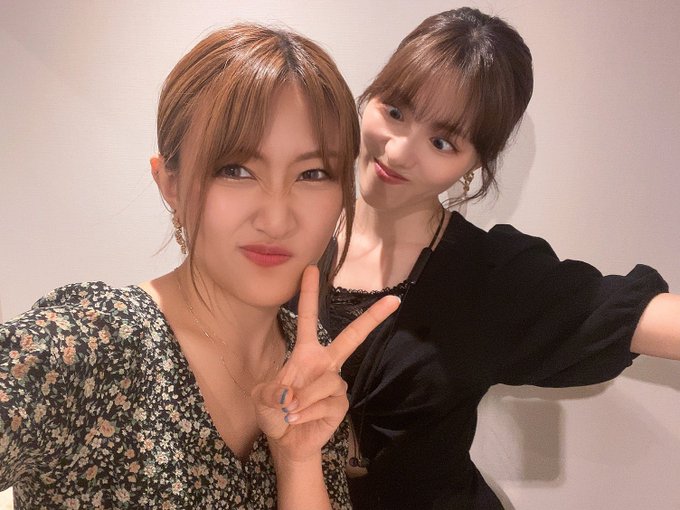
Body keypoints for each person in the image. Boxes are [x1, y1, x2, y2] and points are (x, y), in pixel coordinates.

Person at [0, 24, 399, 509]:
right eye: (236, 170)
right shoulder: (92, 342)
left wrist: (297, 458)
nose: (276, 219)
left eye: (312, 174)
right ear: (169, 181)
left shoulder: (308, 358)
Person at [322, 7, 680, 509]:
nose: (398, 152)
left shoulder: (487, 276)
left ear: (475, 164)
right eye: (395, 111)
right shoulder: (295, 226)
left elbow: (635, 316)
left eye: (442, 142)